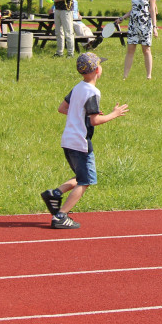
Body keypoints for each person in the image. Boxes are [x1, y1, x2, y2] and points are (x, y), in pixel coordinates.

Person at [40, 52, 128, 229]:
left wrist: (83, 114)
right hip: (80, 142)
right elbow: (95, 121)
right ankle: (61, 215)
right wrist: (114, 114)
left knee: (84, 176)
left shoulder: (78, 87)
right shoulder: (93, 92)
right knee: (85, 181)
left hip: (68, 140)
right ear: (97, 70)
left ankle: (54, 194)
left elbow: (62, 108)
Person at [118, 0, 158, 80]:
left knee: (146, 50)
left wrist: (154, 27)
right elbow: (133, 10)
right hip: (133, 25)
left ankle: (148, 75)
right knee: (130, 50)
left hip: (145, 25)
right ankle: (125, 76)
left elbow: (152, 11)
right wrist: (123, 18)